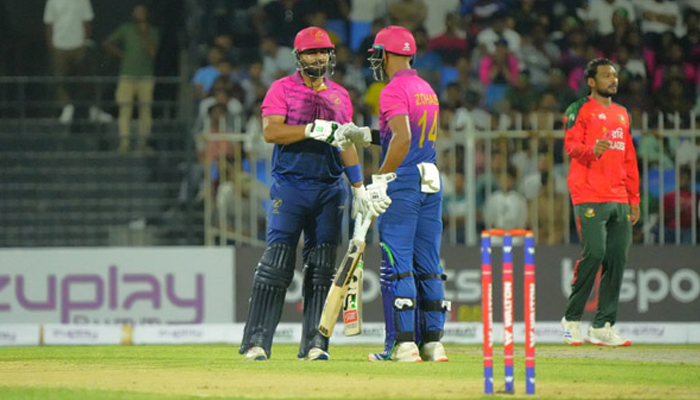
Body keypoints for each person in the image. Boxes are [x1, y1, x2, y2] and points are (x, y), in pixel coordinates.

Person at [238, 27, 387, 362]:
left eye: (323, 52)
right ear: (299, 57)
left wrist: (358, 187)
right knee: (277, 263)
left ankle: (315, 344)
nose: (319, 58)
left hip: (329, 190)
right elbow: (271, 131)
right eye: (311, 52)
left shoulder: (340, 95)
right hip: (290, 187)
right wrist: (308, 129)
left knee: (321, 269)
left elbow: (345, 143)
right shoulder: (282, 89)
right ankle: (257, 342)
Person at [338, 26, 450, 362]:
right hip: (430, 178)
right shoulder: (426, 89)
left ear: (386, 55)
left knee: (396, 262)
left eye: (377, 55)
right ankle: (433, 343)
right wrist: (367, 135)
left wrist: (381, 179)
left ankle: (402, 345)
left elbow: (402, 139)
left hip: (403, 182)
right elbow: (406, 136)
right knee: (428, 263)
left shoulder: (391, 90)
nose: (376, 61)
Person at [560, 58, 640, 347]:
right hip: (589, 193)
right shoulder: (579, 108)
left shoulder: (622, 113)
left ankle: (603, 325)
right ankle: (571, 319)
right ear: (591, 82)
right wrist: (591, 150)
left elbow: (629, 158)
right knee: (594, 253)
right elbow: (570, 145)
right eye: (606, 75)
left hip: (619, 196)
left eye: (614, 75)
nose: (613, 80)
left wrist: (634, 198)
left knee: (616, 259)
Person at [43, 0, 112, 125]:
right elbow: (49, 24)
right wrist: (51, 46)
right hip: (59, 45)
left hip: (79, 45)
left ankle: (92, 109)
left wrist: (85, 41)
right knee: (59, 78)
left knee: (86, 79)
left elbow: (87, 21)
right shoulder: (52, 1)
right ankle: (67, 107)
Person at [103, 3, 160, 153]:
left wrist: (145, 34)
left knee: (145, 111)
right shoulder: (126, 29)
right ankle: (124, 143)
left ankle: (142, 143)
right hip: (127, 75)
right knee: (125, 110)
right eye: (137, 12)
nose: (140, 14)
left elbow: (152, 53)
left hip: (146, 76)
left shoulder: (153, 31)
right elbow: (107, 43)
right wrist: (122, 55)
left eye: (142, 12)